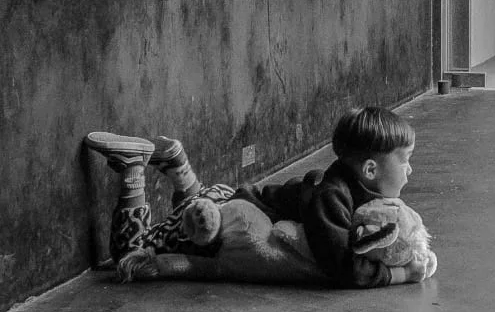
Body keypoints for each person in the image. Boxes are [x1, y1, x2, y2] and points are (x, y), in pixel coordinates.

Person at [84, 106, 426, 288]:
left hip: (229, 202)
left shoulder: (355, 189)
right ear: (369, 169)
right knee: (130, 253)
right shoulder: (332, 197)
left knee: (194, 207)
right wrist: (401, 275)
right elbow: (341, 266)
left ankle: (177, 164)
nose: (410, 170)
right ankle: (132, 169)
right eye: (405, 160)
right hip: (226, 218)